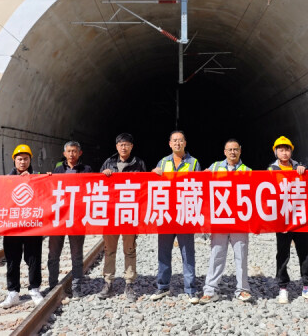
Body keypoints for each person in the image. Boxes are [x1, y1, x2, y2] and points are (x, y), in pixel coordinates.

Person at [268, 136, 308, 304]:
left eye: (287, 149)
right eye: (281, 150)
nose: (284, 153)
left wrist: (304, 169)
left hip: (300, 218)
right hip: (283, 219)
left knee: (304, 253)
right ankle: (283, 287)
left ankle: (307, 286)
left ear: (291, 151)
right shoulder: (271, 170)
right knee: (282, 254)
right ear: (276, 152)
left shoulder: (300, 168)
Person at [200, 139, 253, 304]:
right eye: (229, 150)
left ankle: (242, 290)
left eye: (235, 149)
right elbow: (201, 184)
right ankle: (210, 290)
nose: (232, 152)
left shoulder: (247, 171)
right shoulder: (215, 167)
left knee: (241, 256)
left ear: (240, 151)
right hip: (220, 219)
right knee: (216, 255)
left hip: (239, 221)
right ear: (224, 152)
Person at [150, 130, 201, 304]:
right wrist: (153, 173)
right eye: (174, 140)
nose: (177, 143)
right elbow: (154, 185)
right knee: (163, 252)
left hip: (185, 213)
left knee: (188, 253)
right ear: (170, 144)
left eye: (180, 140)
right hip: (166, 214)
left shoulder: (194, 163)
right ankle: (163, 286)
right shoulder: (163, 162)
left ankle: (191, 289)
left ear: (185, 143)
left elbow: (199, 186)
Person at [98, 133, 147, 302]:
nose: (123, 147)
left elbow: (144, 187)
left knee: (130, 250)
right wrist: (103, 174)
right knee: (109, 250)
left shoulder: (138, 163)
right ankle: (108, 282)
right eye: (121, 144)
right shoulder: (108, 162)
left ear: (131, 146)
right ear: (116, 146)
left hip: (129, 213)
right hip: (111, 213)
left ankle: (129, 283)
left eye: (126, 144)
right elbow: (98, 185)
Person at [1, 144, 45, 308]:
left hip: (32, 225)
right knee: (12, 259)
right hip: (12, 226)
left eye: (26, 159)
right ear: (14, 160)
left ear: (30, 160)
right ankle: (13, 292)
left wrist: (37, 178)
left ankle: (34, 289)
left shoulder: (38, 178)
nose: (22, 162)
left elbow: (46, 194)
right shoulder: (6, 180)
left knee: (34, 258)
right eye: (19, 159)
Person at [48, 141, 92, 299]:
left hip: (77, 218)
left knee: (77, 255)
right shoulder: (58, 170)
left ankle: (77, 287)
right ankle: (52, 285)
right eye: (69, 151)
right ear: (64, 153)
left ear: (80, 153)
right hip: (59, 218)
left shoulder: (86, 170)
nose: (71, 154)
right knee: (53, 254)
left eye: (74, 151)